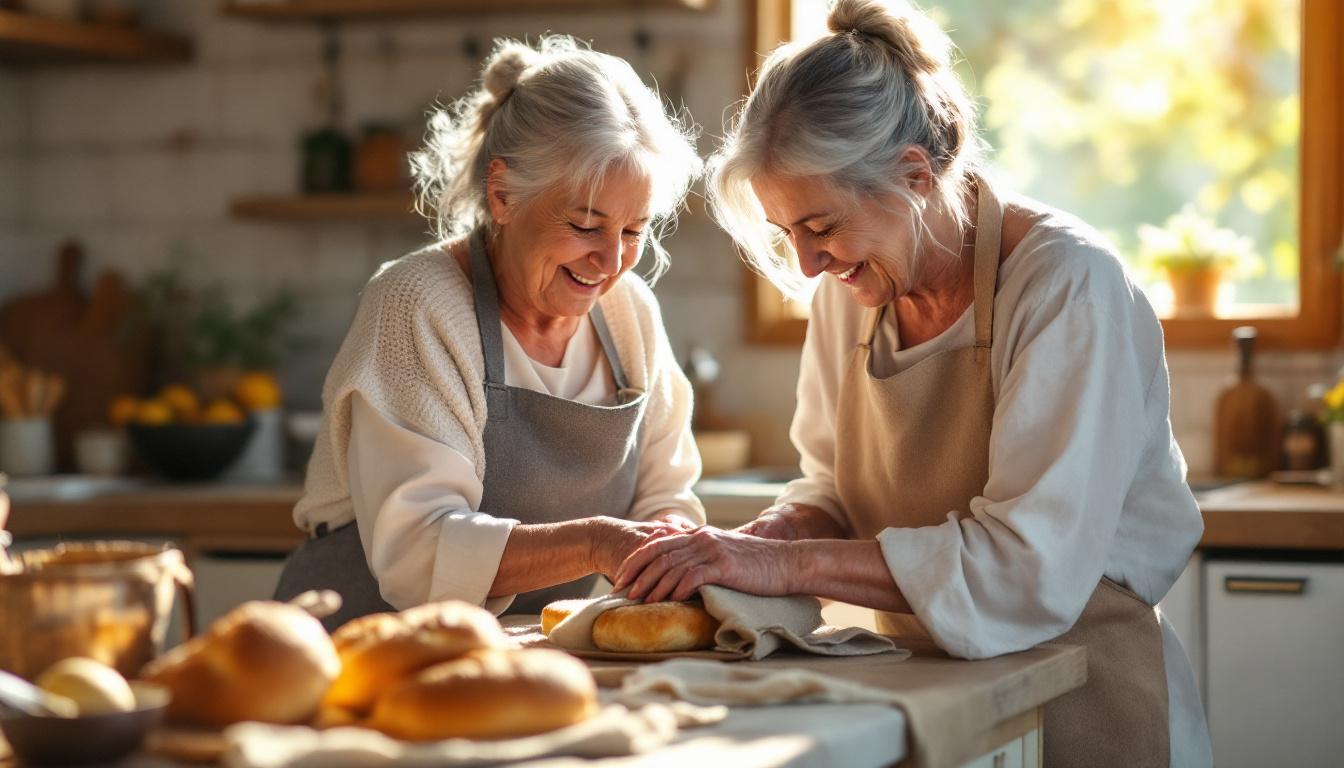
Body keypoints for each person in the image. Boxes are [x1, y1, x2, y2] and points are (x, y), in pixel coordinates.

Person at [613, 1, 1210, 765]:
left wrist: (783, 566)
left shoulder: (1067, 285)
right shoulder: (851, 292)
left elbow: (1026, 567)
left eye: (820, 229)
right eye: (786, 234)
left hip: (1087, 703)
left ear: (914, 177)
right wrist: (754, 542)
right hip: (921, 699)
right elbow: (831, 488)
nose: (807, 266)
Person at [276, 35, 706, 630]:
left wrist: (673, 541)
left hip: (532, 653)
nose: (611, 262)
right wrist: (596, 543)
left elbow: (665, 491)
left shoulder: (628, 312)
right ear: (502, 195)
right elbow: (417, 551)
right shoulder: (419, 303)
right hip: (362, 650)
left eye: (634, 231)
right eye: (586, 225)